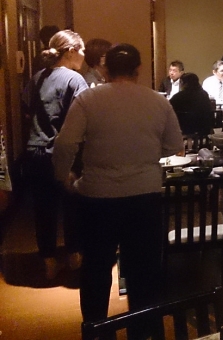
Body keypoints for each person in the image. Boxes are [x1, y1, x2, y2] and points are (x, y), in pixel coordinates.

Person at [52, 43, 184, 322]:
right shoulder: (157, 101)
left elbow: (64, 144)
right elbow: (175, 145)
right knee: (143, 271)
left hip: (98, 196)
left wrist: (64, 176)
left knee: (96, 268)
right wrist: (147, 152)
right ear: (138, 69)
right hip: (144, 194)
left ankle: (96, 329)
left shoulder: (89, 99)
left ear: (106, 69)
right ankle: (142, 331)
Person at [22, 29, 87, 280]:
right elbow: (80, 119)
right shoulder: (74, 79)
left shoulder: (37, 77)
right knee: (73, 206)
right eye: (81, 50)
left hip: (34, 151)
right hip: (62, 152)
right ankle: (74, 256)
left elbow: (27, 110)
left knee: (43, 209)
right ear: (70, 51)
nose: (83, 55)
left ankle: (48, 261)